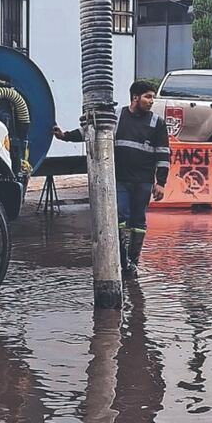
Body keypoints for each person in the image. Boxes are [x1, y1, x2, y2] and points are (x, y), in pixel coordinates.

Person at [54, 80, 170, 278]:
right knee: (120, 216)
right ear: (135, 97)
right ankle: (122, 260)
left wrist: (160, 183)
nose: (152, 101)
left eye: (153, 97)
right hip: (121, 180)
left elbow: (163, 154)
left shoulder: (156, 123)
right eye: (148, 97)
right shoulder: (117, 117)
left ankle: (133, 263)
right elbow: (91, 131)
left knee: (138, 222)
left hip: (143, 182)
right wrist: (65, 136)